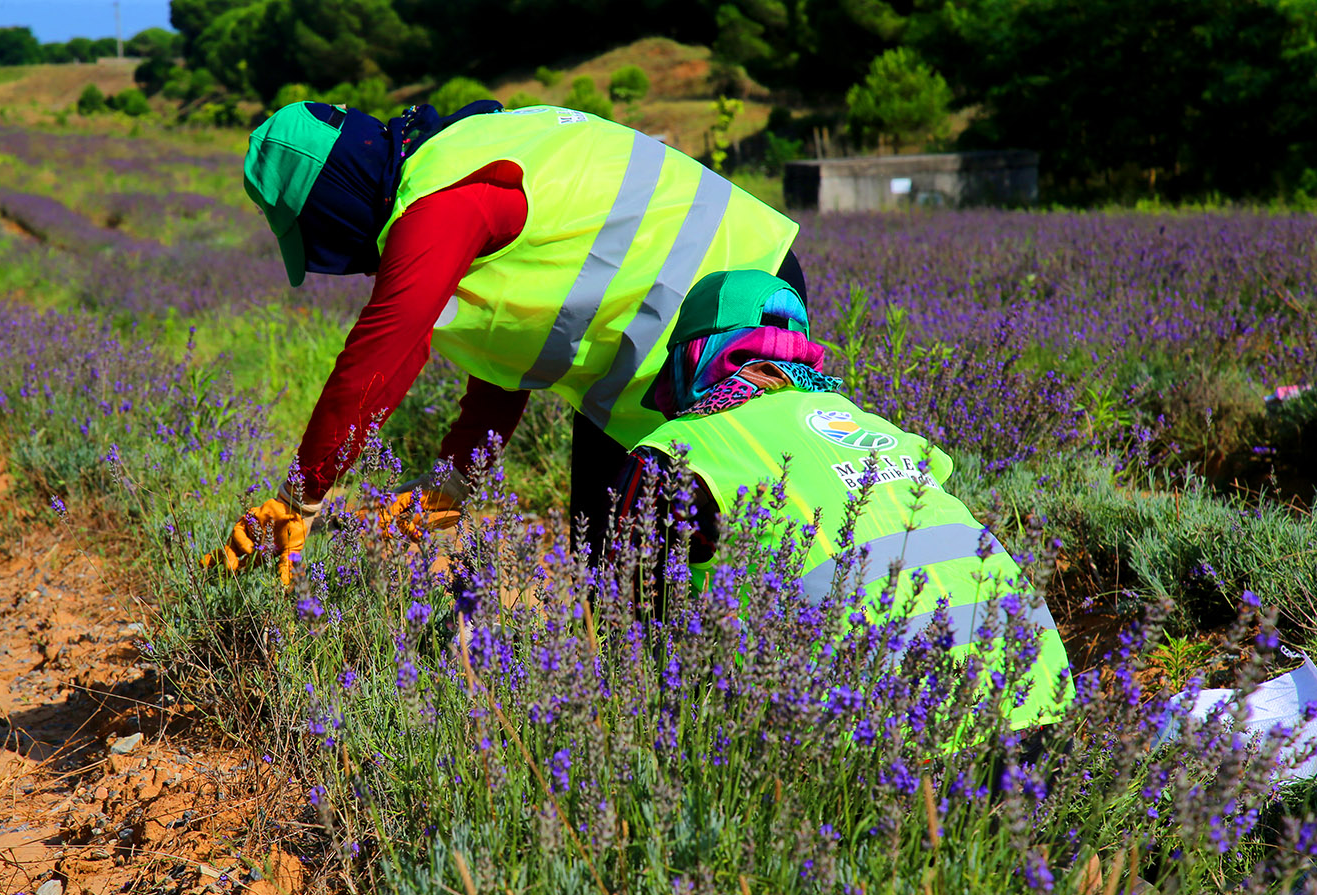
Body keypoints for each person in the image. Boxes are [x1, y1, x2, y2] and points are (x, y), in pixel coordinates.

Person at [205, 100, 802, 580]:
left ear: (331, 203)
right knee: (608, 565)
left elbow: (388, 346)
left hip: (740, 318)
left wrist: (300, 493)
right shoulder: (462, 152)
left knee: (718, 562)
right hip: (678, 350)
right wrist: (453, 478)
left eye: (318, 236)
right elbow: (515, 350)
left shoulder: (441, 200)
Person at [616, 270, 1076, 732]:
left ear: (692, 358)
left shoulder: (679, 449)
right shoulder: (870, 424)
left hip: (893, 744)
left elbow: (631, 623)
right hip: (1046, 703)